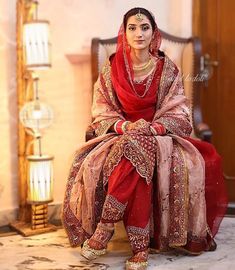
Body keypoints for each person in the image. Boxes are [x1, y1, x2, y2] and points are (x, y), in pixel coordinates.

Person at [62, 7, 227, 270]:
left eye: (144, 27)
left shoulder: (167, 68)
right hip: (121, 133)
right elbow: (101, 107)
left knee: (140, 144)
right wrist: (127, 126)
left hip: (160, 134)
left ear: (153, 32)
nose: (138, 33)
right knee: (134, 145)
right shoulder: (112, 66)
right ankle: (140, 249)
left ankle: (104, 231)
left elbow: (179, 110)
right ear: (124, 32)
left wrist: (152, 128)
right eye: (132, 28)